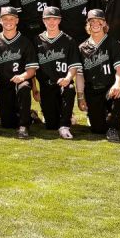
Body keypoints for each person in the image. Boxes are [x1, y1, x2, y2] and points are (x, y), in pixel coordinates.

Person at [76, 9, 120, 143]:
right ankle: (109, 118)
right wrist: (80, 96)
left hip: (109, 88)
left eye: (99, 21)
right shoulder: (82, 47)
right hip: (92, 91)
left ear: (104, 23)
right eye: (92, 21)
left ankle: (113, 128)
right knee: (97, 129)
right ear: (88, 24)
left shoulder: (113, 43)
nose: (95, 24)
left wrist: (118, 83)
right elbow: (80, 75)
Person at [34, 7, 82, 139]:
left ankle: (65, 125)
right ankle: (57, 115)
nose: (51, 22)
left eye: (54, 19)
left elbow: (74, 66)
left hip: (63, 83)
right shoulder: (37, 40)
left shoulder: (68, 40)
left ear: (59, 20)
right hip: (46, 86)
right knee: (51, 125)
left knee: (70, 88)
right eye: (48, 19)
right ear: (43, 21)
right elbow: (32, 67)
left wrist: (68, 78)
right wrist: (34, 88)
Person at [0, 7, 38, 139]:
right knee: (7, 124)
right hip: (4, 86)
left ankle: (24, 125)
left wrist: (22, 77)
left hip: (20, 83)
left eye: (12, 18)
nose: (8, 21)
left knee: (24, 87)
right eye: (5, 19)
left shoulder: (25, 41)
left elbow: (31, 70)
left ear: (17, 20)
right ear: (0, 21)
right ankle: (30, 115)